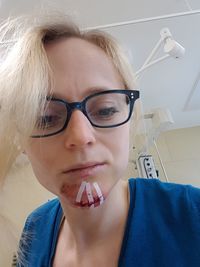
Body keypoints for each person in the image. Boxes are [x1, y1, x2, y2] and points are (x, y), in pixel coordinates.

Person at [0, 14, 199, 267]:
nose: (81, 137)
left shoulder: (193, 214)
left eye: (105, 110)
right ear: (21, 141)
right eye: (46, 118)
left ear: (129, 119)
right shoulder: (34, 229)